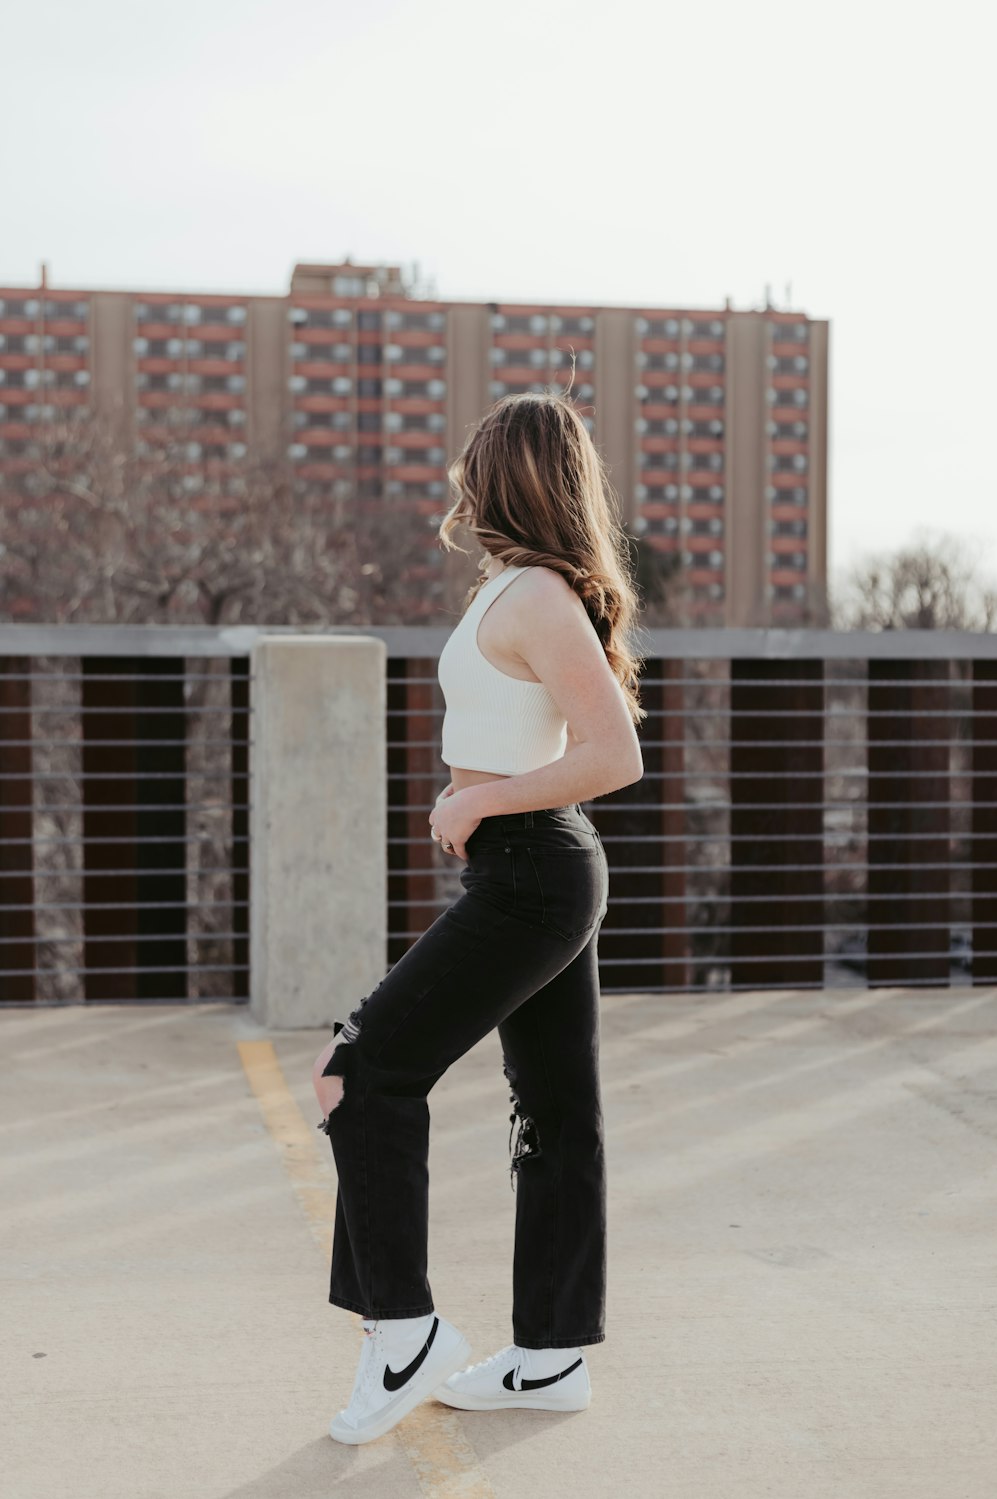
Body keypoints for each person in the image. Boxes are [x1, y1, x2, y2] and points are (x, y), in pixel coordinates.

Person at [312, 390, 646, 1445]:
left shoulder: (541, 595)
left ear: (504, 473)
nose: (457, 475)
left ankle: (402, 1329)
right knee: (553, 1111)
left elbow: (614, 755)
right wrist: (478, 805)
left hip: (531, 873)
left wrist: (476, 799)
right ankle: (548, 1354)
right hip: (528, 869)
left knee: (358, 1075)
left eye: (472, 459)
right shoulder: (511, 587)